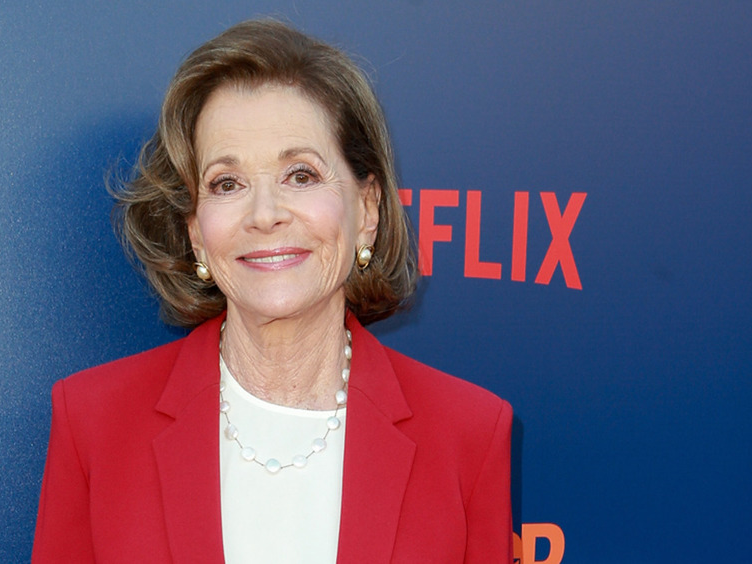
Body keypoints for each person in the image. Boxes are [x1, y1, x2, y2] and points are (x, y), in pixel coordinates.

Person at [32, 18, 512, 563]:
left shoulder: (468, 433)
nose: (264, 215)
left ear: (368, 209)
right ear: (195, 229)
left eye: (300, 175)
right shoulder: (93, 422)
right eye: (227, 184)